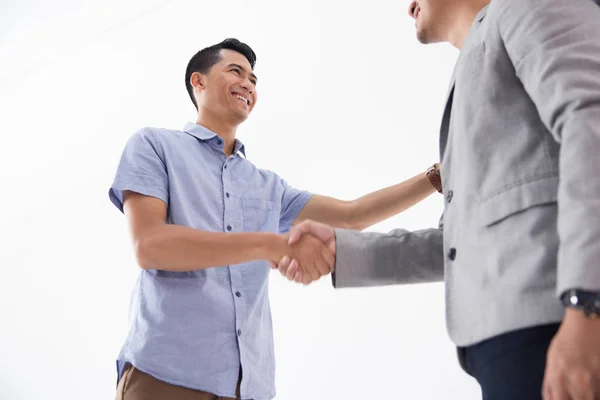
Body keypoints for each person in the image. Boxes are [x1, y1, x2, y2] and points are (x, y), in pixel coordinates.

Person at [276, 0, 600, 398]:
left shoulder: (527, 6)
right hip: (507, 342)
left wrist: (587, 302)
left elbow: (592, 126)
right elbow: (456, 244)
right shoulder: (473, 70)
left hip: (561, 323)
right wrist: (341, 251)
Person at [108, 38, 442, 400]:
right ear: (198, 82)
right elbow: (151, 246)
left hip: (249, 388)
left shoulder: (268, 186)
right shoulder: (154, 146)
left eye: (253, 79)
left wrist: (436, 177)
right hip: (166, 376)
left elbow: (351, 215)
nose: (248, 84)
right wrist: (272, 244)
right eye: (236, 71)